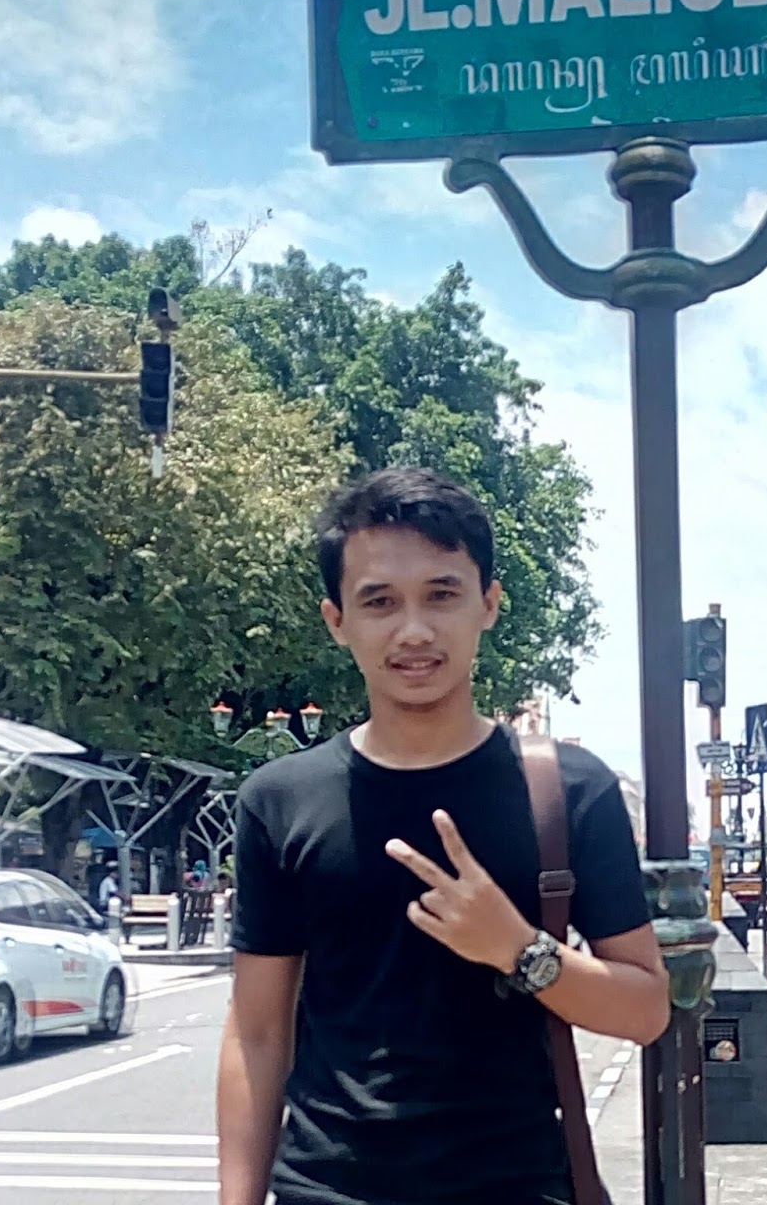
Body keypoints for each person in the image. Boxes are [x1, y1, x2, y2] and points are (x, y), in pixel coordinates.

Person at [218, 467, 669, 1205]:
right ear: (337, 619)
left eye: (441, 594)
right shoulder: (280, 799)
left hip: (518, 1186)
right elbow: (257, 1033)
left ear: (488, 603)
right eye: (379, 601)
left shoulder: (567, 792)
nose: (414, 631)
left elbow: (646, 1010)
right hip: (326, 1190)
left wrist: (518, 949)